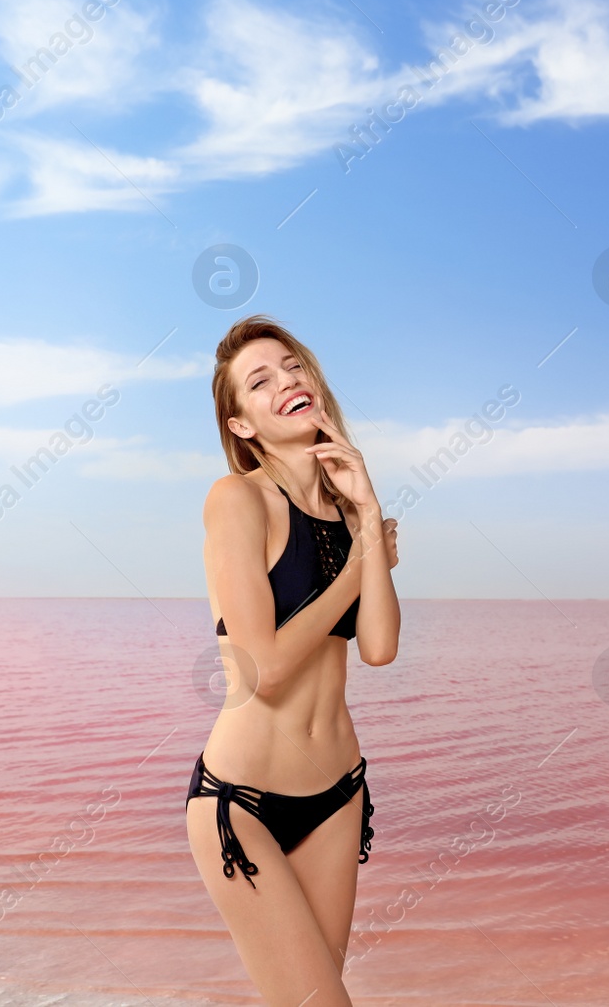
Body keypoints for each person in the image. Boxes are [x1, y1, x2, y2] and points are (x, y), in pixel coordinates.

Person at [186, 314, 400, 1005]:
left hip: (338, 794)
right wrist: (364, 562)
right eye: (260, 381)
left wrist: (366, 515)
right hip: (241, 803)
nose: (286, 382)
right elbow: (264, 670)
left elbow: (379, 648)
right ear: (242, 424)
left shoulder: (346, 514)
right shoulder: (237, 501)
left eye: (293, 367)